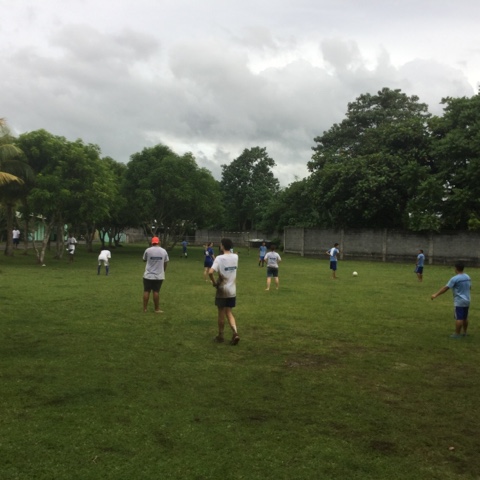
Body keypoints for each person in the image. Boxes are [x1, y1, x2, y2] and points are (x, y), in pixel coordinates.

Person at [208, 238, 240, 345]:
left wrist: (214, 283)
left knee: (221, 313)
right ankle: (235, 333)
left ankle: (220, 336)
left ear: (222, 246)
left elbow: (210, 272)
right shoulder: (235, 257)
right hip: (232, 290)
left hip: (222, 290)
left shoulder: (219, 258)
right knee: (229, 312)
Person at [431, 262, 471, 338]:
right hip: (467, 299)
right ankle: (465, 332)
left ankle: (457, 334)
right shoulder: (467, 277)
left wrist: (436, 294)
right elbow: (469, 287)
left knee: (459, 318)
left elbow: (446, 288)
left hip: (459, 300)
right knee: (465, 317)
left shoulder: (455, 278)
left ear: (456, 268)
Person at [143, 236, 169, 313]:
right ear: (159, 242)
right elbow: (166, 262)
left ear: (152, 242)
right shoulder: (163, 251)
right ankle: (157, 309)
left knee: (146, 291)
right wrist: (163, 270)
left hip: (148, 275)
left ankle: (145, 309)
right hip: (158, 275)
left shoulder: (148, 250)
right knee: (156, 291)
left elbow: (144, 259)